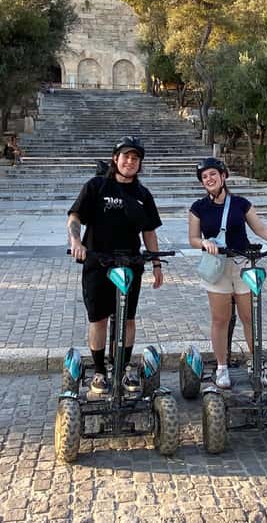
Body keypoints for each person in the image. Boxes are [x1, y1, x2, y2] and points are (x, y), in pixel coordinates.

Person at [188, 157, 267, 389]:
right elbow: (192, 238)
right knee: (220, 319)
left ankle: (256, 363)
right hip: (217, 266)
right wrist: (204, 243)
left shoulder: (240, 203)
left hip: (243, 263)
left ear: (223, 176)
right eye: (204, 177)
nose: (209, 179)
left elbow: (260, 229)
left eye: (212, 174)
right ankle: (221, 367)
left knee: (249, 318)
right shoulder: (198, 207)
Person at [67, 136, 165, 395]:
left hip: (130, 263)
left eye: (135, 158)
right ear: (115, 158)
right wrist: (76, 241)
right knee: (98, 319)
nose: (130, 161)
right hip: (98, 262)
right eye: (126, 156)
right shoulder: (96, 186)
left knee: (127, 319)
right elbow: (75, 216)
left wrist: (156, 264)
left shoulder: (143, 195)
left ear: (139, 163)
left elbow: (150, 232)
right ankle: (100, 372)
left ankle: (122, 369)